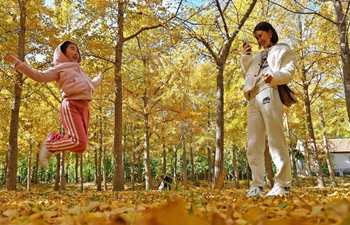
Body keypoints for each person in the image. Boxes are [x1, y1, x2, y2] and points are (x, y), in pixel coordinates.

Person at [4, 41, 103, 168]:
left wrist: (99, 78)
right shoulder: (60, 68)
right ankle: (49, 145)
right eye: (72, 49)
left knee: (81, 147)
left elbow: (91, 84)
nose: (76, 53)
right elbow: (39, 76)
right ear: (62, 53)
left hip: (84, 107)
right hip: (71, 105)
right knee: (78, 142)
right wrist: (16, 62)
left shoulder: (80, 71)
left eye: (77, 51)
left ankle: (54, 137)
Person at [240, 22, 296, 196]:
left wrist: (273, 76)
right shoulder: (257, 56)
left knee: (275, 138)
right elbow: (247, 75)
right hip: (252, 95)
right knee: (253, 142)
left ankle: (283, 185)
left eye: (261, 35)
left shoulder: (284, 49)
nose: (259, 40)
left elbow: (288, 72)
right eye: (256, 37)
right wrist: (246, 57)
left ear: (270, 32)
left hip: (270, 90)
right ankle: (257, 185)